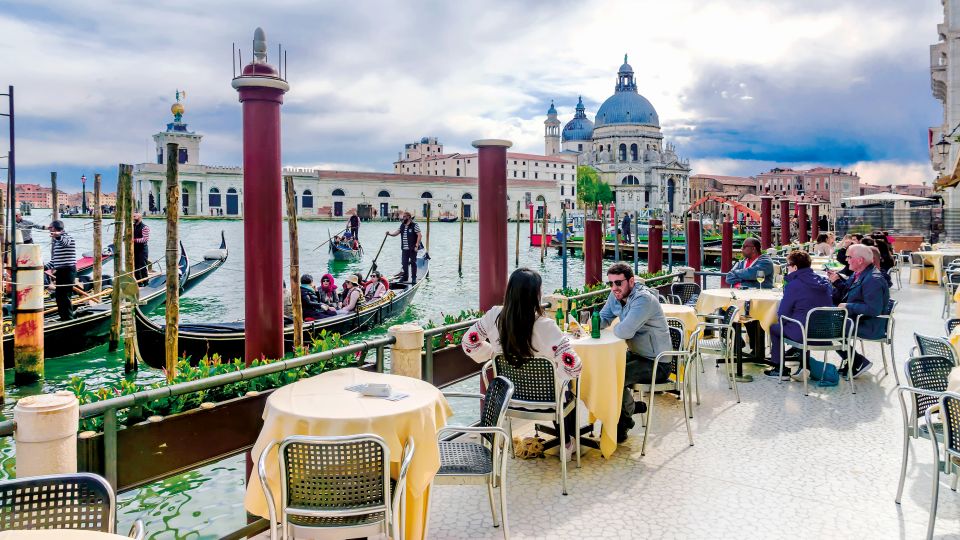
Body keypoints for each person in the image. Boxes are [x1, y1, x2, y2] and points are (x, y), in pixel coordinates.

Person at [461, 268, 582, 456]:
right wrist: (557, 376)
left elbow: (469, 343)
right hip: (547, 400)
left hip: (510, 398)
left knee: (561, 386)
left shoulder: (494, 316)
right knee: (566, 388)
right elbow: (574, 366)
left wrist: (494, 354)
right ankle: (566, 443)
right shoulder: (546, 326)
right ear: (536, 294)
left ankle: (565, 440)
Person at [598, 262, 670, 443]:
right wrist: (591, 324)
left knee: (614, 377)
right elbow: (603, 317)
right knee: (603, 369)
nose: (614, 287)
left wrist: (614, 328)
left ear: (631, 281)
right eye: (610, 283)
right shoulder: (615, 294)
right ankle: (630, 407)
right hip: (636, 354)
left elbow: (625, 331)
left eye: (618, 283)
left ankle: (623, 422)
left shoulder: (643, 300)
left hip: (657, 362)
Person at [763, 251, 834, 378]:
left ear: (795, 267)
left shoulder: (794, 285)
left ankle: (779, 369)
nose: (787, 268)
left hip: (803, 333)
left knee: (775, 328)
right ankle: (804, 366)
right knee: (802, 323)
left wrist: (784, 323)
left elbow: (783, 313)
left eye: (788, 265)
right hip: (827, 332)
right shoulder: (824, 282)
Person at [826, 244, 890, 377]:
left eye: (849, 257)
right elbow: (848, 292)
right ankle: (854, 360)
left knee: (827, 328)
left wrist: (848, 306)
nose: (846, 260)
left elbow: (874, 309)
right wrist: (836, 281)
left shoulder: (873, 279)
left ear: (860, 260)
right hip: (858, 320)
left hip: (871, 325)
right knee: (826, 323)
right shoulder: (859, 274)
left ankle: (857, 361)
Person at [45, 220, 77, 321]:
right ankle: (63, 317)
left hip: (68, 271)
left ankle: (68, 319)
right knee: (59, 296)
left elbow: (65, 242)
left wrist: (58, 236)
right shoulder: (57, 241)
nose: (49, 229)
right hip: (60, 271)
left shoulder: (68, 237)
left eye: (50, 228)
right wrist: (44, 267)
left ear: (54, 228)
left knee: (65, 296)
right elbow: (55, 260)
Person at [385, 211, 422, 283]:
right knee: (404, 263)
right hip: (404, 249)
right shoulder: (402, 225)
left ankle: (414, 278)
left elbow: (419, 235)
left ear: (408, 217)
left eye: (404, 217)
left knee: (413, 263)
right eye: (403, 216)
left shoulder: (414, 225)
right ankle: (405, 277)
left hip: (412, 248)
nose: (403, 218)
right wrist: (390, 234)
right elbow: (396, 233)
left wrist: (417, 245)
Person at [133, 212, 150, 283]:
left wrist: (134, 240)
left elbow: (145, 239)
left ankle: (146, 282)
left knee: (143, 265)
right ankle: (139, 282)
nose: (133, 218)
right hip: (134, 249)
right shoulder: (132, 226)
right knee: (135, 266)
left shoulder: (145, 227)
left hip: (142, 249)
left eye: (135, 216)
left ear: (139, 217)